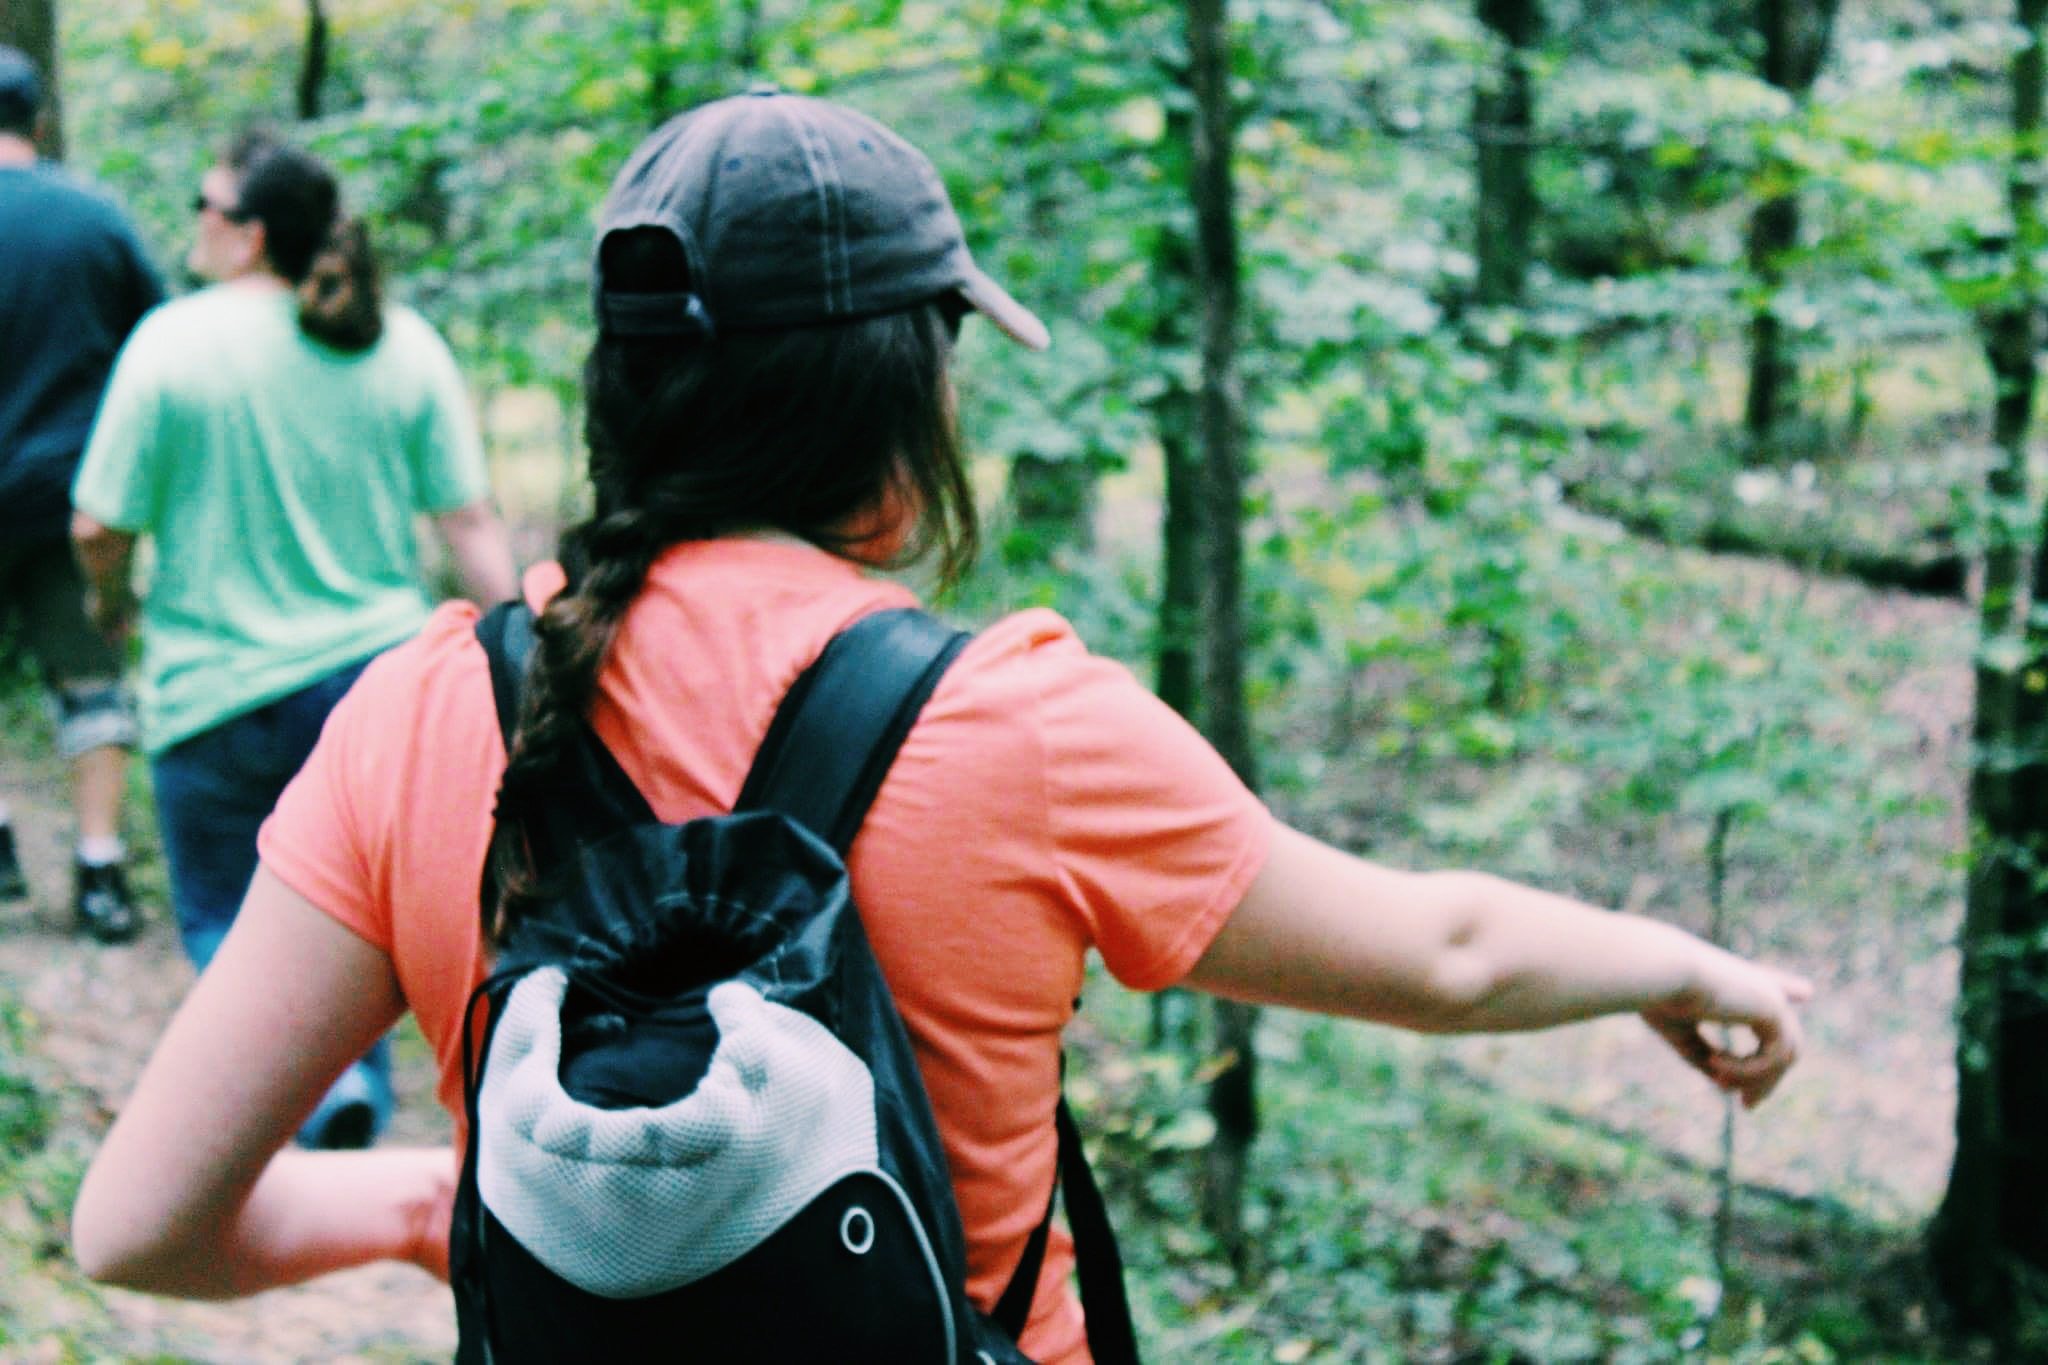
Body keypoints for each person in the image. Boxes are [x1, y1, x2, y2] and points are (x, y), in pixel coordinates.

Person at [70, 92, 1809, 1359]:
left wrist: (426, 1206)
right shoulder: (1023, 730)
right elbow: (1436, 952)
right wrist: (1677, 963)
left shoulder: (418, 717)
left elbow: (139, 1226)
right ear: (903, 421)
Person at [69, 131, 518, 1151]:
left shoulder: (170, 344)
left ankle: (294, 1112)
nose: (193, 221)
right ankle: (348, 1078)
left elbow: (98, 525)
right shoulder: (399, 342)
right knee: (359, 912)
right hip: (374, 692)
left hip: (213, 690)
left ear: (249, 234)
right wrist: (532, 652)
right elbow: (469, 524)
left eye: (205, 203)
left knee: (228, 918)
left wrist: (111, 606)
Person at [0, 44, 162, 942]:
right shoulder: (97, 220)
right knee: (92, 682)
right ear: (41, 121)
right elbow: (158, 345)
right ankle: (101, 871)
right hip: (77, 495)